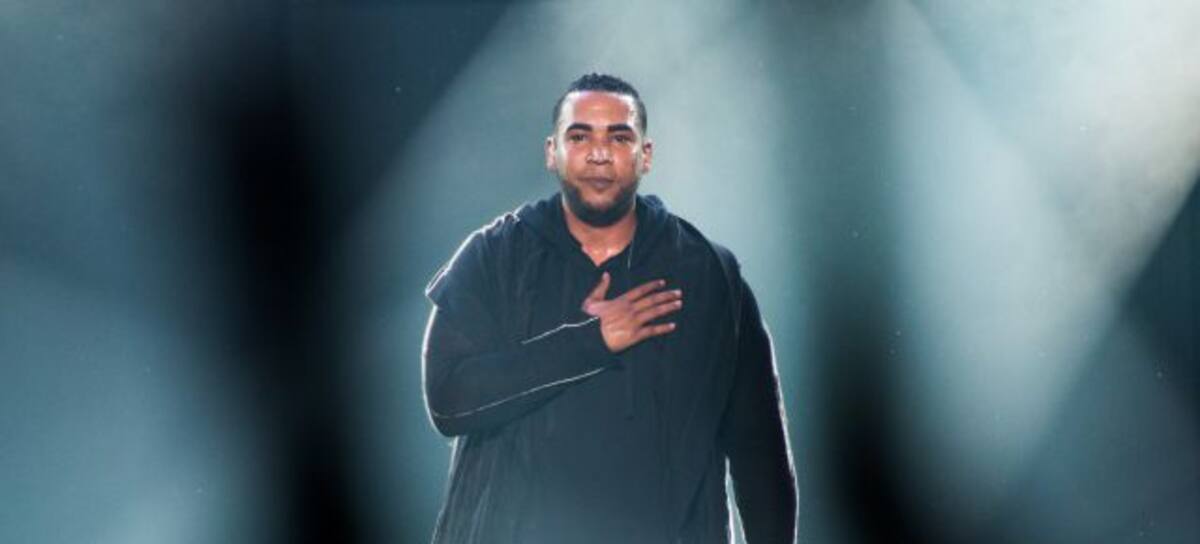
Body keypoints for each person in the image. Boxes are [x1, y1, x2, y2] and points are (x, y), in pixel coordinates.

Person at [422, 73, 796, 543]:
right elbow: (449, 402)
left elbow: (759, 453)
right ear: (552, 152)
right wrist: (590, 342)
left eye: (619, 137)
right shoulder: (493, 258)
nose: (599, 153)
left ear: (645, 155)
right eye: (580, 136)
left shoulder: (708, 273)